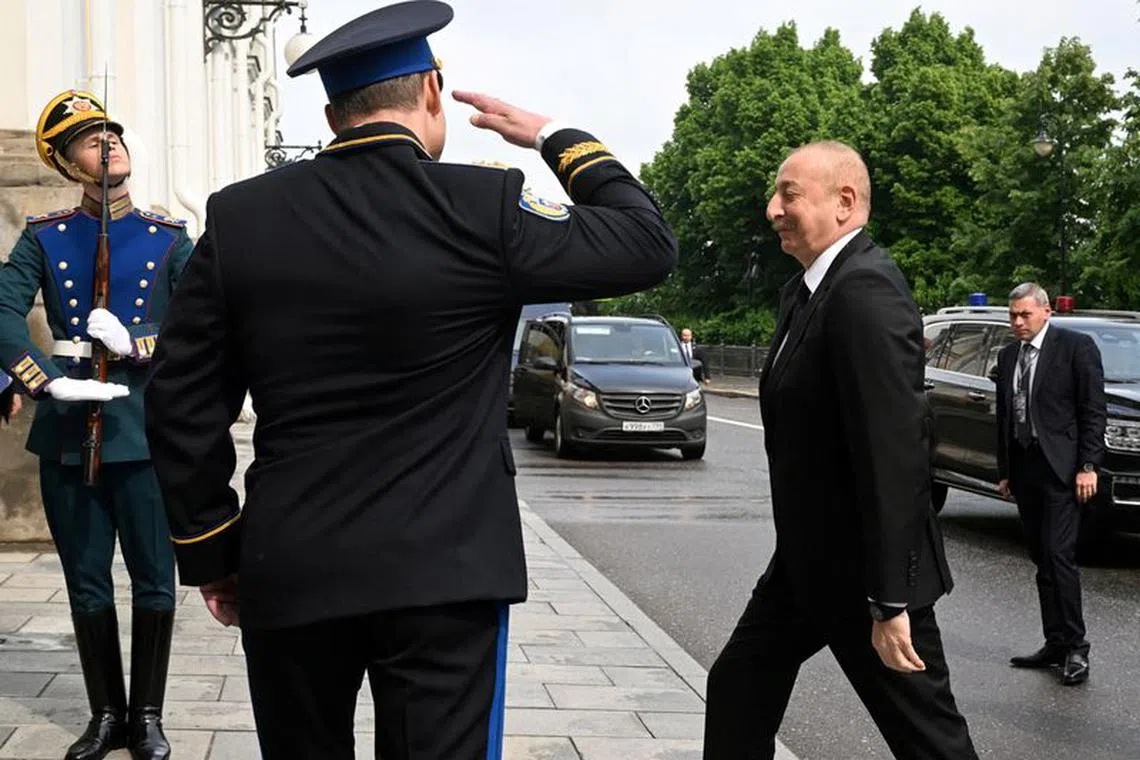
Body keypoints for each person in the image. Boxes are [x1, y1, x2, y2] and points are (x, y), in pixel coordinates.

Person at [142, 2, 677, 758]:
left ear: (332, 117)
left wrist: (212, 546)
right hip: (444, 573)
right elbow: (647, 243)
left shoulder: (241, 217)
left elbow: (181, 400)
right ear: (431, 91)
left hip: (293, 563)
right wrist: (554, 136)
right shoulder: (484, 207)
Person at [703, 141, 978, 759]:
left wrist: (891, 599)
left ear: (845, 202)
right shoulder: (807, 291)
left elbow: (894, 451)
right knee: (739, 688)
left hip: (864, 576)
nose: (772, 209)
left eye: (789, 195)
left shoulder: (864, 291)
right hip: (806, 565)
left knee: (930, 741)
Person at [0, 90, 193, 760]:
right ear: (65, 164)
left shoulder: (169, 238)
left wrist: (138, 342)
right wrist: (43, 378)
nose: (107, 143)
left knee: (154, 578)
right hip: (68, 427)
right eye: (89, 140)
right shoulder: (45, 236)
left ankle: (148, 716)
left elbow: (203, 321)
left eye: (112, 133)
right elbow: (2, 310)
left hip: (142, 427)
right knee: (86, 580)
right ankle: (106, 715)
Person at [995, 282, 1104, 686]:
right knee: (1041, 558)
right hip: (1025, 470)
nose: (1018, 322)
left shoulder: (1075, 348)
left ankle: (1076, 648)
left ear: (1046, 312)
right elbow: (1005, 416)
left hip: (1062, 469)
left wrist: (1088, 465)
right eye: (1013, 315)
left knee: (1059, 557)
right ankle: (1055, 642)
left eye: (1025, 314)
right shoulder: (1009, 355)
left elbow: (1093, 410)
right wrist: (1005, 470)